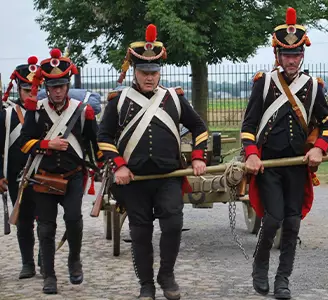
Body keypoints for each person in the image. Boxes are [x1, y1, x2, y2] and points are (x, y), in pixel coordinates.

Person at [97, 24, 209, 300]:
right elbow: (103, 136)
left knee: (172, 224)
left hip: (168, 177)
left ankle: (167, 275)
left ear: (160, 71)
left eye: (154, 72)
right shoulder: (119, 100)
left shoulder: (174, 99)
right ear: (134, 71)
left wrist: (197, 156)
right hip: (133, 180)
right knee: (140, 233)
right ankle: (146, 284)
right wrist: (119, 165)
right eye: (144, 72)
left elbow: (200, 129)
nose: (149, 78)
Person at [241, 7, 328, 299]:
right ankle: (260, 264)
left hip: (297, 166)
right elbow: (248, 126)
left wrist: (320, 148)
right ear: (278, 56)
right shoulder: (264, 84)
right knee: (272, 219)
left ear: (302, 56)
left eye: (296, 55)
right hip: (268, 165)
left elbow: (327, 124)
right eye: (286, 55)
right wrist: (252, 154)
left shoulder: (314, 87)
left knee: (292, 223)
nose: (291, 60)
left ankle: (283, 279)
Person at [19, 48, 99, 294]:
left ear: (67, 85)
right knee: (45, 227)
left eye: (62, 85)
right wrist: (46, 144)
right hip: (43, 177)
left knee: (74, 219)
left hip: (73, 175)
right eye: (53, 86)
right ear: (46, 86)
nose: (57, 90)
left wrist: (105, 165)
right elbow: (24, 143)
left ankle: (74, 259)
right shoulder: (35, 110)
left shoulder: (82, 111)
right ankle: (49, 276)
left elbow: (94, 144)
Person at [0, 56, 43, 279]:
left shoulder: (45, 111)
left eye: (34, 89)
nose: (31, 94)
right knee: (24, 222)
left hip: (44, 175)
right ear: (19, 89)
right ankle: (28, 263)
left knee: (46, 220)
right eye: (27, 90)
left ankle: (43, 258)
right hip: (18, 178)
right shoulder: (6, 114)